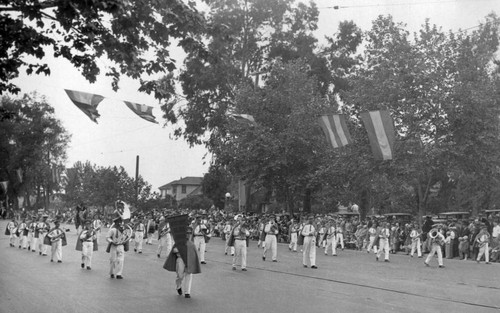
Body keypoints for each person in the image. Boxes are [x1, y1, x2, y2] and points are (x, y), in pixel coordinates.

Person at [164, 226, 201, 299]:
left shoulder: (191, 244)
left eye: (190, 233)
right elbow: (174, 250)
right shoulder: (179, 242)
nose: (188, 234)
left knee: (188, 275)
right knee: (180, 276)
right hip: (180, 259)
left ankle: (187, 292)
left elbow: (194, 254)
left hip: (189, 261)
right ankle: (178, 286)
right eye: (187, 233)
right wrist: (180, 250)